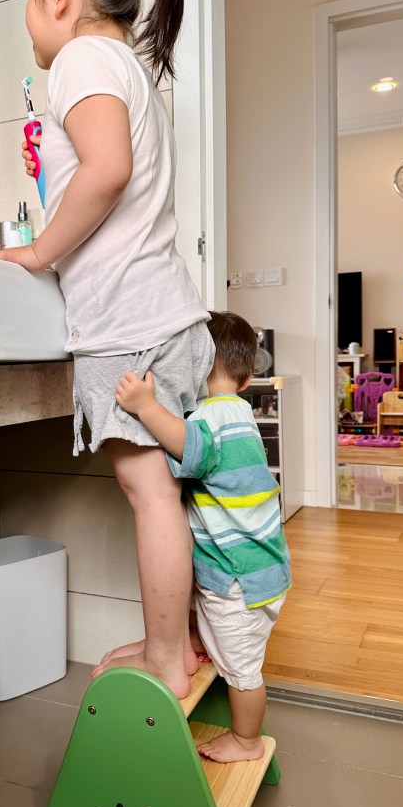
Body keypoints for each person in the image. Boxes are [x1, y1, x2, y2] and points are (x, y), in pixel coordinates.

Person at [0, 0, 212, 699]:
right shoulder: (129, 67)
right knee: (172, 496)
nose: (28, 18)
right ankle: (181, 641)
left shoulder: (80, 58)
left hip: (131, 325)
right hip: (169, 316)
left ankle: (164, 659)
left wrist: (39, 252)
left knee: (148, 496)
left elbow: (106, 169)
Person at [115, 312, 291, 762]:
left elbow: (190, 446)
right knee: (213, 625)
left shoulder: (213, 419)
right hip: (257, 567)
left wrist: (146, 406)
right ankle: (199, 643)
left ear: (191, 364)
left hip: (240, 582)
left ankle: (247, 741)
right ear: (247, 377)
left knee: (243, 672)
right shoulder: (239, 412)